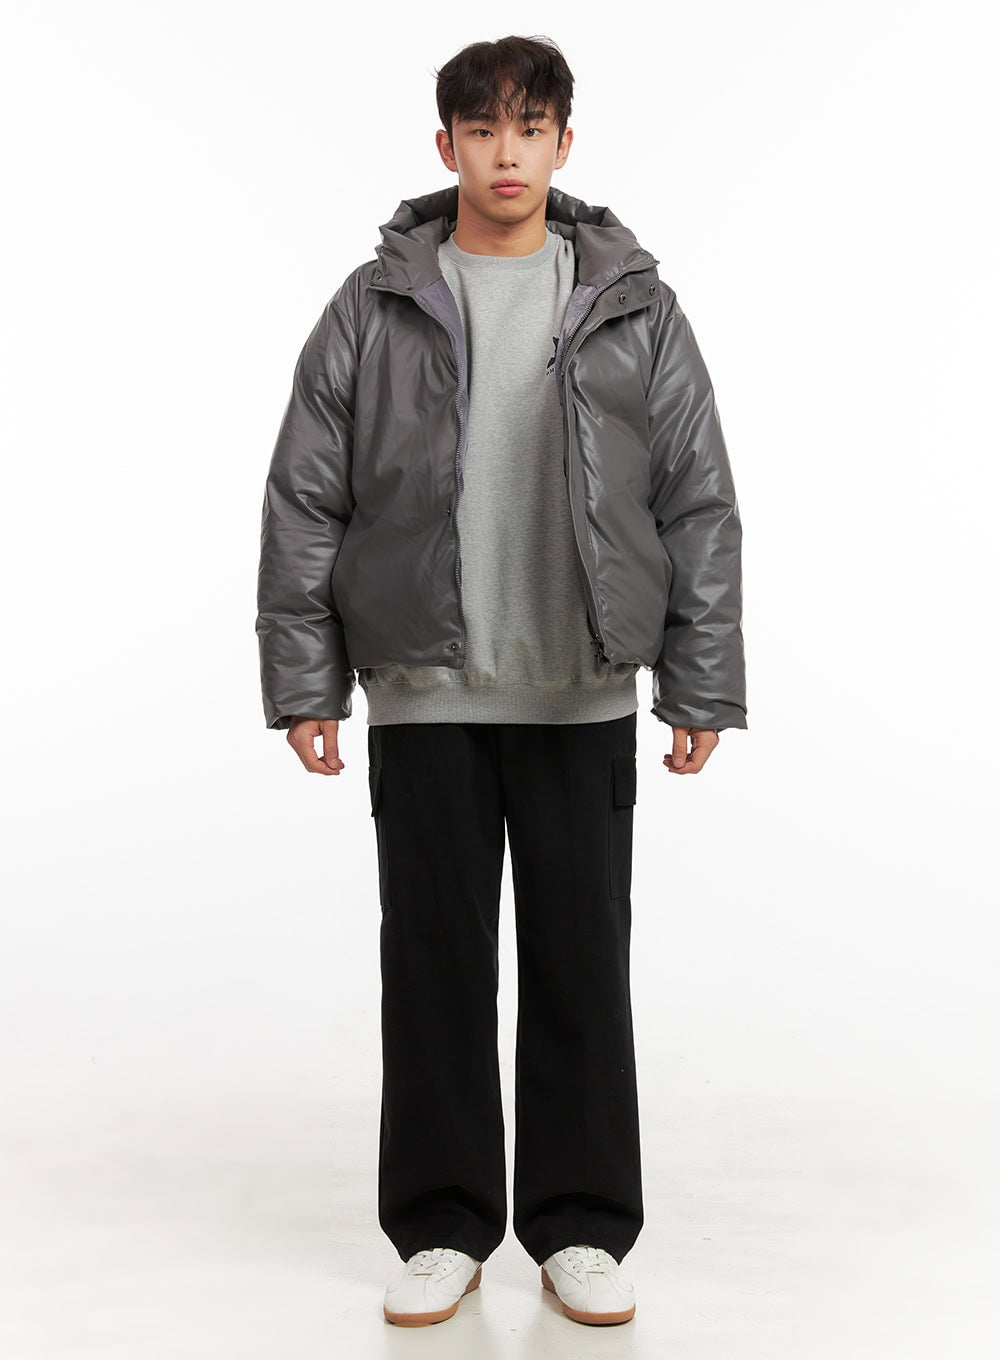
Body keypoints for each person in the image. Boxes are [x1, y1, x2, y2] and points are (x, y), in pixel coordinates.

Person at [255, 33, 747, 1329]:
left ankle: (580, 1228)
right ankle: (442, 1226)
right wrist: (306, 680)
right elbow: (306, 495)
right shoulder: (375, 305)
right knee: (433, 969)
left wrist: (700, 682)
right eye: (483, 130)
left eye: (531, 128)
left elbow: (696, 498)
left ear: (565, 142)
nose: (507, 153)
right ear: (447, 146)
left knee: (583, 968)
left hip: (581, 693)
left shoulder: (634, 304)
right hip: (426, 691)